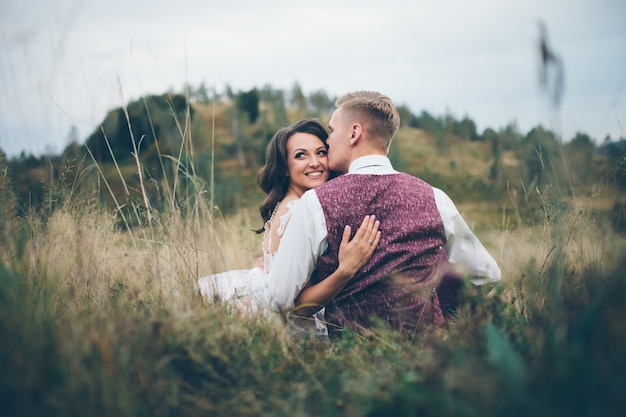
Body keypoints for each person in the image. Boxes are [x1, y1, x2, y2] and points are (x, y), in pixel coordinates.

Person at [261, 91, 502, 338]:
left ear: (354, 133)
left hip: (351, 360)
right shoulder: (434, 197)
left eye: (332, 131)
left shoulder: (315, 203)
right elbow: (488, 275)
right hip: (425, 358)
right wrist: (442, 315)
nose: (328, 141)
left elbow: (279, 301)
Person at [198, 118, 380, 334]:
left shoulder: (286, 203)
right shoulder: (298, 210)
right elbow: (296, 305)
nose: (315, 163)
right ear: (285, 167)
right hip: (293, 329)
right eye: (300, 155)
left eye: (321, 152)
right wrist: (345, 271)